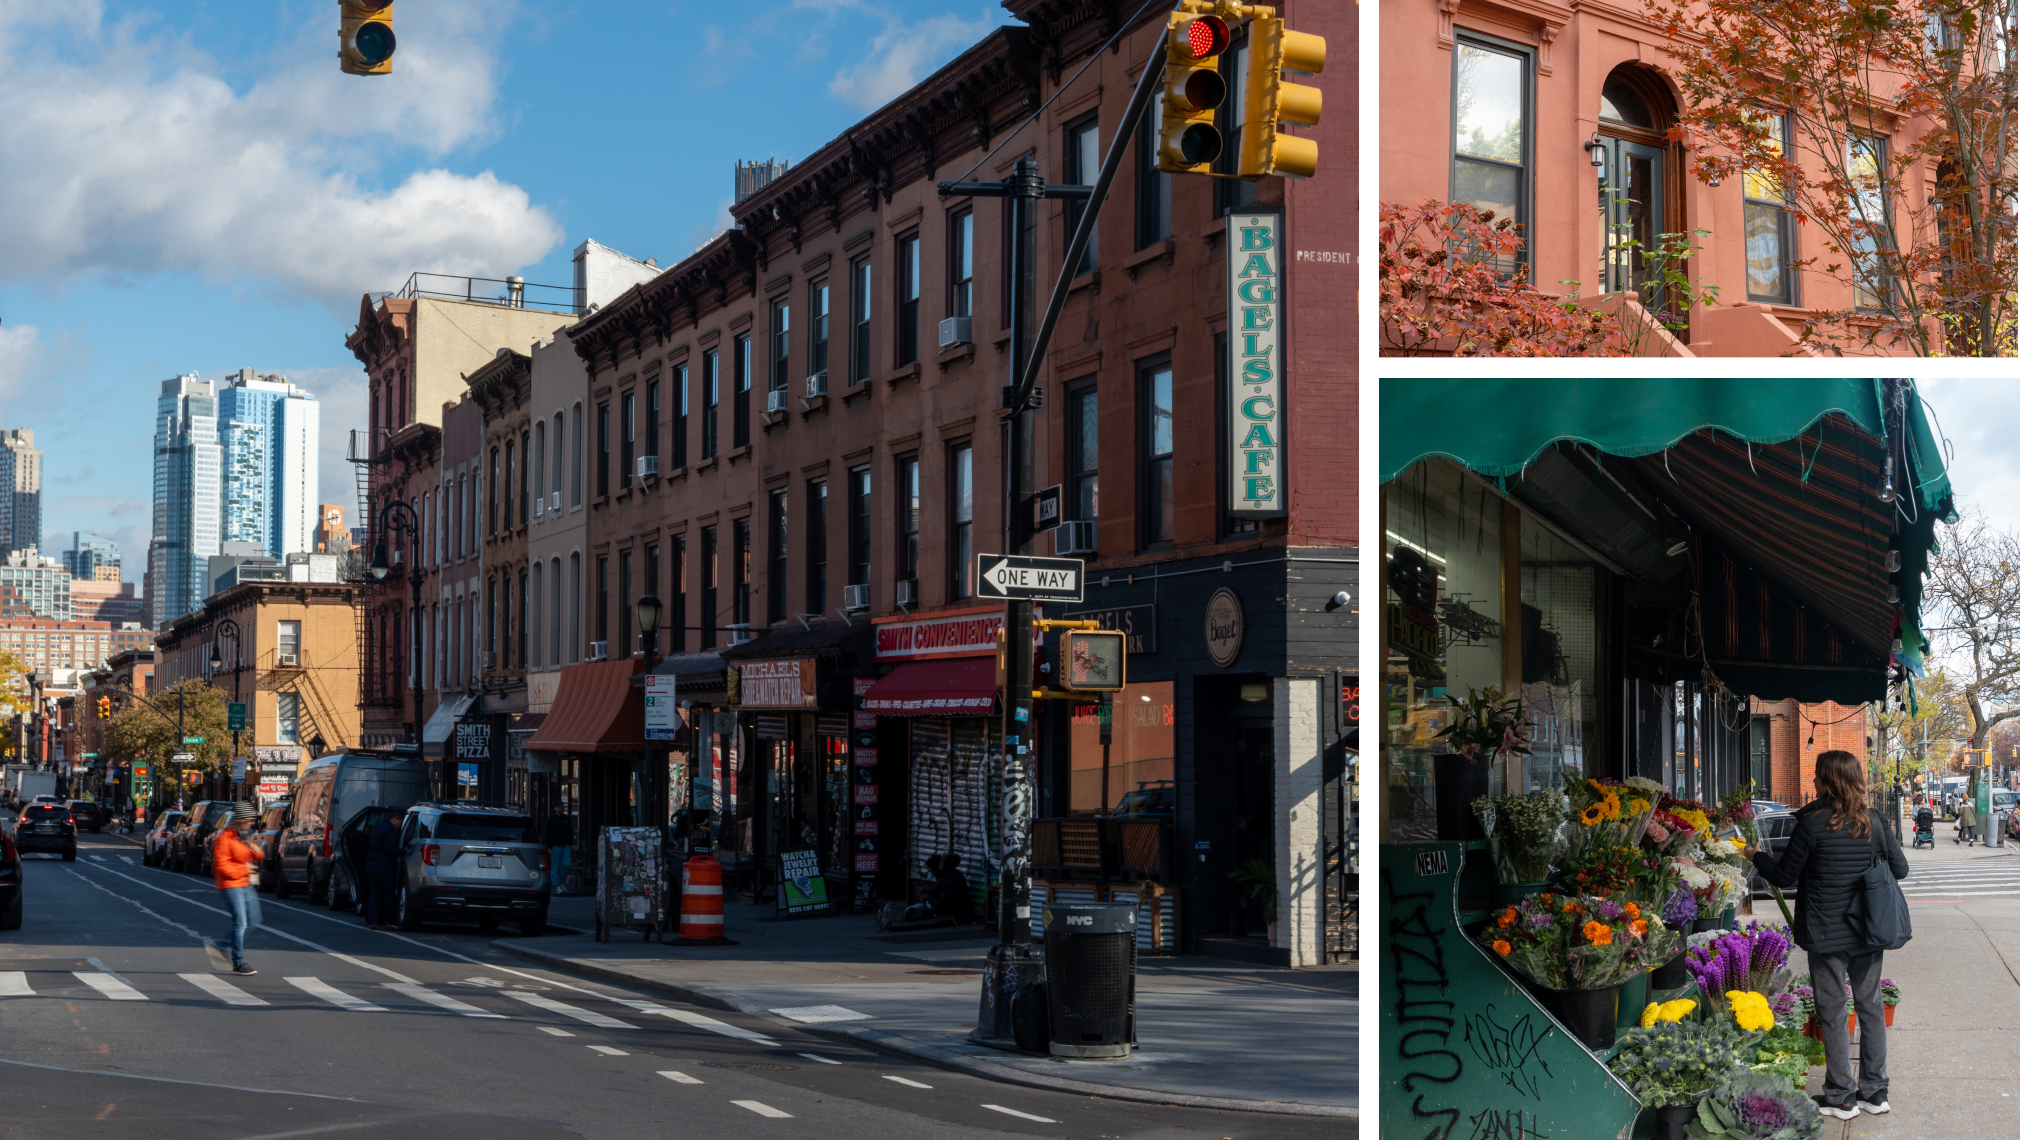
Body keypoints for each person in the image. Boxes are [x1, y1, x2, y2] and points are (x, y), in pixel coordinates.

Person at [1746, 750, 1907, 1120]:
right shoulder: (1876, 821)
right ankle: (1875, 1091)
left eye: (1818, 776)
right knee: (1870, 1007)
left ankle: (1840, 1095)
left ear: (1827, 781)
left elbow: (1784, 876)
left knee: (1833, 1011)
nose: (1814, 782)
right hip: (1868, 930)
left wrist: (1756, 855)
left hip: (1825, 933)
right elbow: (1901, 869)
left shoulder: (1813, 824)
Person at [211, 804, 265, 976]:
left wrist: (257, 853)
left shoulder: (242, 837)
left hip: (245, 883)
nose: (250, 824)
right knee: (240, 922)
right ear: (240, 820)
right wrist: (245, 869)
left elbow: (251, 856)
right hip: (230, 885)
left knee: (254, 919)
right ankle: (238, 961)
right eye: (248, 820)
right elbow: (222, 865)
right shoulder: (225, 838)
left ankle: (222, 945)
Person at [363, 809, 405, 930]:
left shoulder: (379, 826)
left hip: (370, 865)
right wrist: (404, 851)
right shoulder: (391, 831)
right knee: (388, 895)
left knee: (374, 894)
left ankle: (373, 922)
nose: (400, 826)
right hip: (385, 867)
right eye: (400, 823)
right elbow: (390, 848)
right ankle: (390, 921)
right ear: (395, 819)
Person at [543, 807, 573, 895]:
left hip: (565, 847)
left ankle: (561, 882)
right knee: (554, 868)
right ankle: (557, 886)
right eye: (559, 807)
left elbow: (571, 832)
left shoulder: (566, 818)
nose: (561, 808)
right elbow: (547, 833)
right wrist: (551, 846)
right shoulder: (551, 819)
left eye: (562, 807)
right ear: (555, 808)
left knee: (567, 865)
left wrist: (569, 844)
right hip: (555, 847)